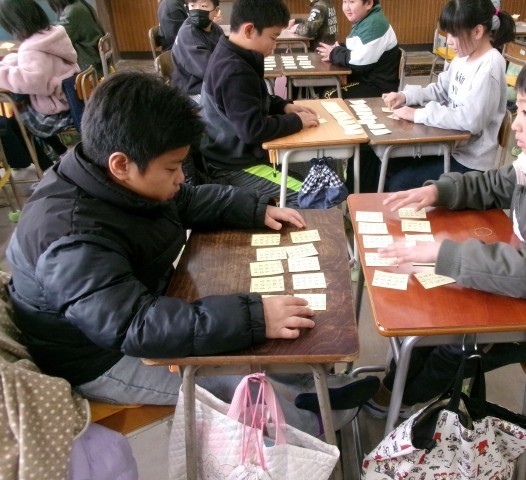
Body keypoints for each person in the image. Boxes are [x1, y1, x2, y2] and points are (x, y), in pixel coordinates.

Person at [6, 70, 375, 436]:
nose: (181, 177)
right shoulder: (70, 239)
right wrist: (254, 317)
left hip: (140, 305)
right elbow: (136, 327)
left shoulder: (110, 175)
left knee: (252, 323)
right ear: (121, 165)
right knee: (235, 380)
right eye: (171, 168)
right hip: (103, 357)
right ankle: (315, 426)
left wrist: (252, 210)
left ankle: (312, 388)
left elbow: (184, 200)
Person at [363, 45, 526, 417]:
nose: (515, 123)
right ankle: (399, 383)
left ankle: (405, 399)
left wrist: (443, 253)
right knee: (436, 313)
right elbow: (494, 183)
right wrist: (439, 191)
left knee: (454, 338)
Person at [367, 0, 515, 192]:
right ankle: (364, 208)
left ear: (478, 31)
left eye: (454, 34)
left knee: (399, 183)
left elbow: (472, 120)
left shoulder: (490, 66)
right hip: (450, 146)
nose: (449, 41)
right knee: (380, 162)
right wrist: (406, 96)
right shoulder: (463, 57)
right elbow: (441, 90)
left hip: (470, 163)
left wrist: (417, 114)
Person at [199, 0, 319, 208]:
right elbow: (252, 130)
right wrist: (296, 121)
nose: (274, 46)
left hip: (240, 153)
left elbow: (253, 100)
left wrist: (283, 106)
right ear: (249, 30)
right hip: (234, 165)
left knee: (319, 166)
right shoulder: (234, 70)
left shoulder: (235, 54)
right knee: (315, 194)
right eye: (273, 38)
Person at [0, 0, 79, 170]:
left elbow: (30, 81)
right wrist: (12, 61)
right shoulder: (53, 35)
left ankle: (47, 169)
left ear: (13, 23)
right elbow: (37, 67)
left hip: (57, 111)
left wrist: (3, 73)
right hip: (72, 101)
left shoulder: (31, 48)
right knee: (23, 114)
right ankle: (62, 152)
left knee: (17, 122)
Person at [316, 0, 400, 98]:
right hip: (365, 78)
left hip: (377, 87)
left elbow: (360, 61)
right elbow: (358, 49)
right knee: (320, 84)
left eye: (352, 2)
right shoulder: (367, 20)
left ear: (369, 4)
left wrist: (334, 53)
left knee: (329, 94)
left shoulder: (375, 24)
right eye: (345, 2)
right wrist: (339, 48)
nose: (347, 8)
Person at [171, 0, 225, 102]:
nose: (197, 10)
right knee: (228, 103)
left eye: (203, 6)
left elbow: (226, 54)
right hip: (191, 90)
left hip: (209, 83)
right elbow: (210, 71)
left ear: (216, 11)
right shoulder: (188, 33)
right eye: (192, 5)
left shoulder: (217, 29)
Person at [46, 0, 105, 73]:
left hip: (90, 64)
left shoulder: (72, 11)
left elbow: (59, 40)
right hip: (96, 57)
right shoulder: (79, 4)